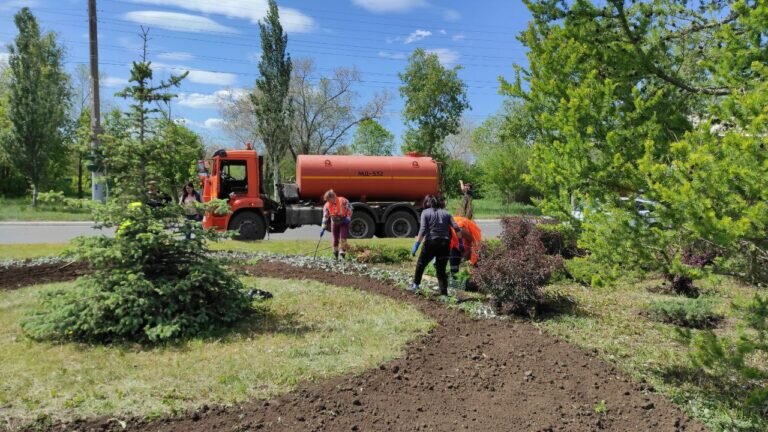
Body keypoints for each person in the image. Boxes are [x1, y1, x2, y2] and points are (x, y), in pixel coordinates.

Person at [410, 194, 461, 296]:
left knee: (421, 264)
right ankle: (444, 293)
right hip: (445, 244)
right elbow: (456, 228)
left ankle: (415, 286)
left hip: (431, 243)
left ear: (428, 203)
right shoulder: (446, 213)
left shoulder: (425, 212)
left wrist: (416, 244)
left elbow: (423, 229)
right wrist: (461, 242)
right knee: (441, 270)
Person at [448, 215, 482, 289]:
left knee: (475, 258)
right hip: (458, 240)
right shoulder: (443, 233)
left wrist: (468, 251)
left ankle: (477, 281)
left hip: (472, 238)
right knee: (453, 257)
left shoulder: (459, 230)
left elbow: (472, 240)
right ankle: (454, 277)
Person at [321, 189, 353, 260]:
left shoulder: (343, 200)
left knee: (343, 237)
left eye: (329, 200)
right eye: (327, 200)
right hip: (334, 222)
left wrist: (348, 218)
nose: (328, 201)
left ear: (333, 197)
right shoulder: (327, 205)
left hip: (344, 221)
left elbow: (350, 209)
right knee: (335, 239)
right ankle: (335, 254)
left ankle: (342, 253)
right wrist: (323, 227)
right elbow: (325, 216)